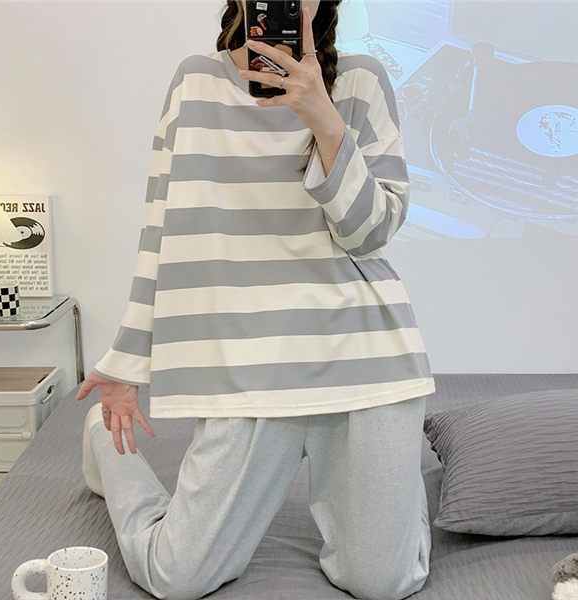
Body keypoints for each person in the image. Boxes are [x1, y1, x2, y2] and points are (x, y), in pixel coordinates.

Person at [76, 2, 435, 599]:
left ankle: (396, 498)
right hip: (247, 363)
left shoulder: (362, 79)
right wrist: (126, 362)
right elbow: (162, 228)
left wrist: (325, 121)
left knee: (384, 583)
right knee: (177, 578)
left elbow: (370, 234)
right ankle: (101, 444)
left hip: (364, 356)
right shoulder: (196, 80)